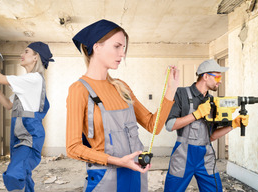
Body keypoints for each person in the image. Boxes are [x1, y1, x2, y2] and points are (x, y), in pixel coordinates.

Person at [66, 19, 179, 192]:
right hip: (105, 178)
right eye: (117, 46)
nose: (122, 54)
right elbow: (73, 148)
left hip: (135, 174)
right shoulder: (79, 89)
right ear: (97, 47)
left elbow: (152, 125)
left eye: (124, 48)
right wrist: (118, 161)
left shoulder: (121, 86)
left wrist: (171, 89)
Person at [0, 42, 54, 192]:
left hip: (30, 136)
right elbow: (8, 104)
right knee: (23, 174)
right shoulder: (27, 84)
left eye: (26, 52)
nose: (21, 55)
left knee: (14, 174)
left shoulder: (34, 79)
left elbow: (0, 78)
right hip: (19, 135)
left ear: (35, 57)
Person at [164, 59, 249, 192]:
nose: (220, 81)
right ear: (205, 76)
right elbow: (169, 125)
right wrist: (196, 114)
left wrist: (234, 124)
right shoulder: (181, 93)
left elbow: (211, 137)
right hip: (183, 155)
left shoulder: (212, 101)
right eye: (218, 76)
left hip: (206, 156)